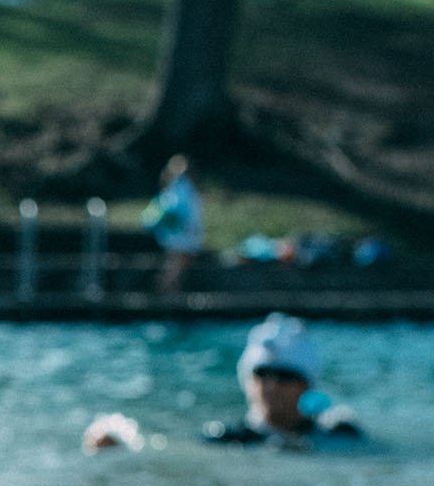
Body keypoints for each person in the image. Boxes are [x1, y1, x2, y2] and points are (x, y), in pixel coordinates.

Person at [198, 312, 365, 448]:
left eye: (284, 376)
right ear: (248, 380)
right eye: (262, 373)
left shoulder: (338, 435)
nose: (272, 385)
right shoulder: (225, 440)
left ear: (306, 385)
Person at [146, 154, 203, 295]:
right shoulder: (181, 186)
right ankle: (165, 292)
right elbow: (180, 211)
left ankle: (169, 292)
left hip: (179, 235)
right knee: (175, 267)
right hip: (181, 236)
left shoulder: (178, 185)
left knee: (177, 267)